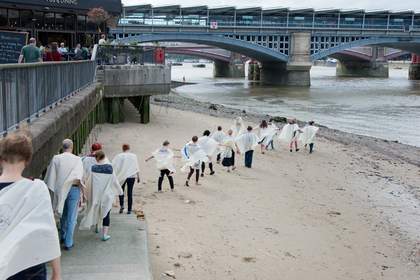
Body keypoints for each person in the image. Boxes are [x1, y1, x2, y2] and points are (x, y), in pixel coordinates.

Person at [0, 131, 61, 280]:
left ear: (1, 159)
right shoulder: (37, 189)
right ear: (28, 160)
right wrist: (56, 271)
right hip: (30, 264)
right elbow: (48, 230)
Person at [44, 139, 84, 251]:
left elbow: (50, 176)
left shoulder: (56, 158)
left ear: (62, 147)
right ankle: (68, 242)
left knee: (63, 213)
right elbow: (79, 177)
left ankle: (62, 235)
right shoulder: (77, 159)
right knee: (72, 216)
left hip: (60, 189)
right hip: (73, 189)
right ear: (72, 147)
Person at [80, 151, 122, 241]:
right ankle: (105, 235)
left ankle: (96, 227)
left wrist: (85, 193)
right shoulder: (110, 168)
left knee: (96, 209)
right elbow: (115, 181)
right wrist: (120, 191)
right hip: (107, 195)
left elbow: (89, 181)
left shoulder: (94, 168)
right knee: (106, 213)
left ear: (97, 158)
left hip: (96, 194)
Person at [112, 144, 140, 214]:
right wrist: (138, 176)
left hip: (122, 176)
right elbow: (136, 166)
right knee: (130, 192)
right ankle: (129, 209)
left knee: (121, 191)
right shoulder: (134, 156)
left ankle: (122, 206)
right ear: (129, 148)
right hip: (132, 176)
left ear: (123, 149)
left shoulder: (119, 156)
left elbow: (115, 166)